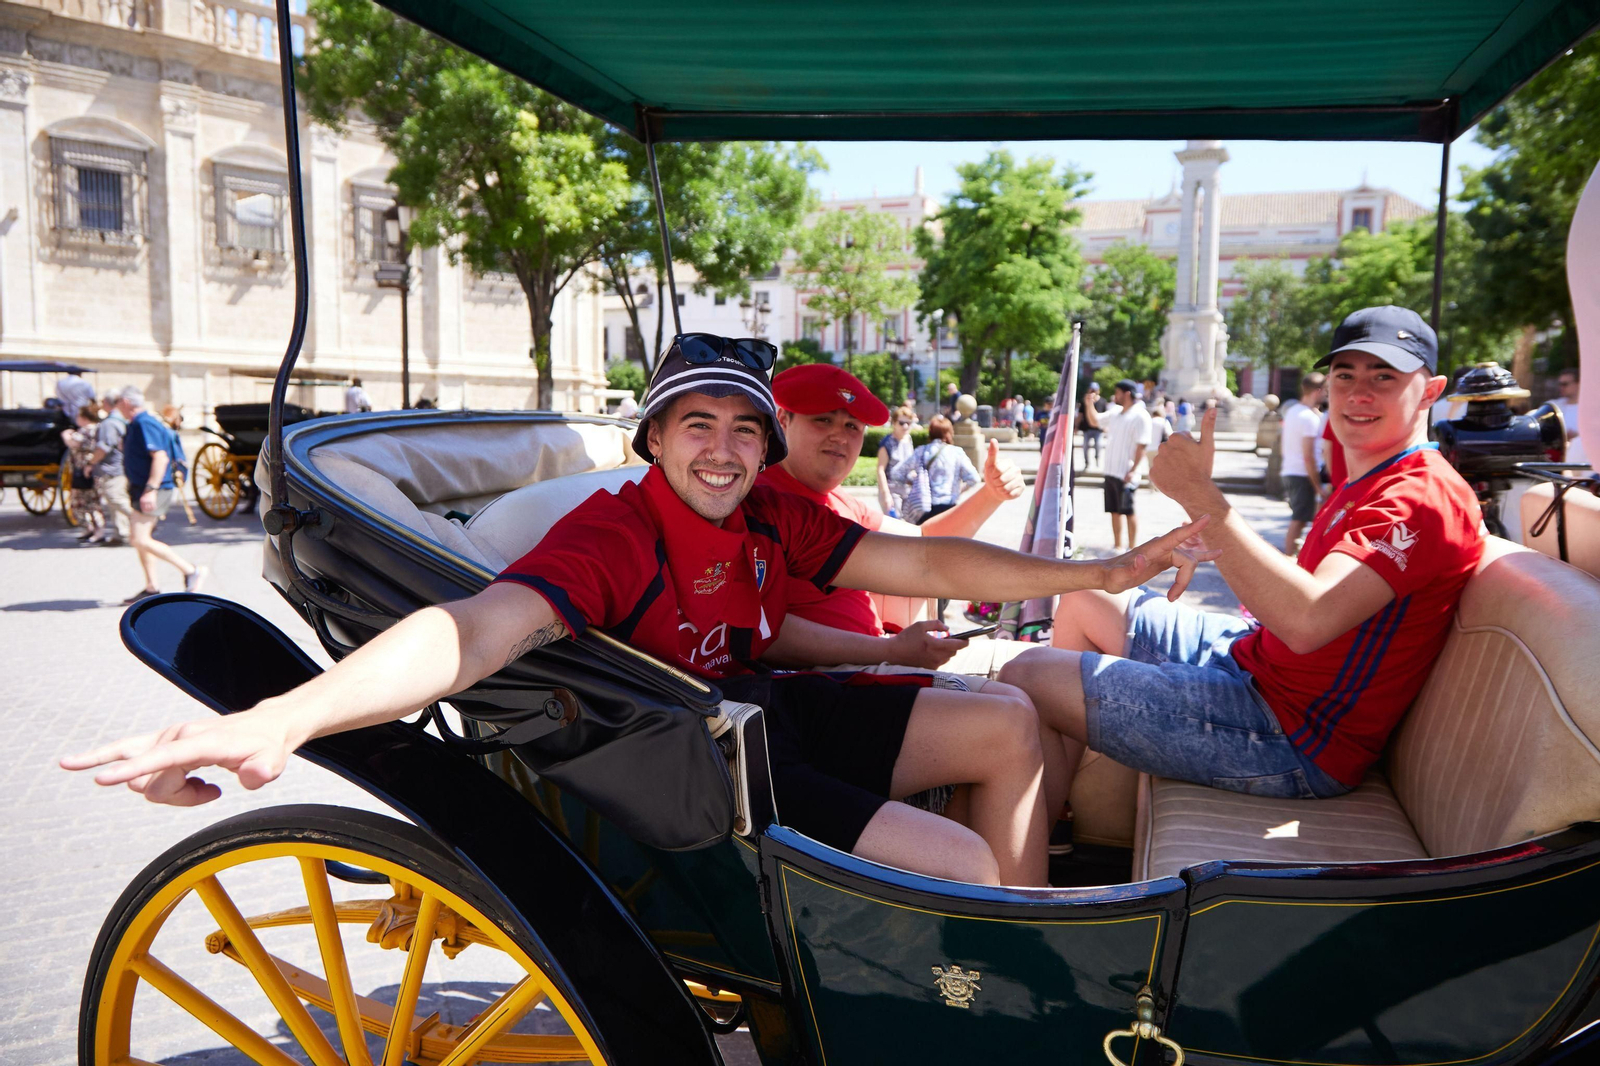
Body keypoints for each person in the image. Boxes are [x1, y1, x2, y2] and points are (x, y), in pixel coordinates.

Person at [63, 335, 1212, 889]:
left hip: (767, 708)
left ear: (762, 445)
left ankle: (1012, 959)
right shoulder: (615, 532)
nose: (722, 447)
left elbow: (917, 561)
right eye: (695, 425)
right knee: (954, 856)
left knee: (1009, 722)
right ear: (655, 439)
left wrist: (1089, 576)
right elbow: (477, 630)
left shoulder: (768, 511)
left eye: (741, 427)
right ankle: (973, 983)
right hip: (699, 755)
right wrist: (285, 717)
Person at [1000, 305, 1484, 809]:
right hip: (1254, 666)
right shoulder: (1373, 476)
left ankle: (1022, 875)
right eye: (1346, 375)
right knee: (1082, 596)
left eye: (1384, 377)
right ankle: (1059, 826)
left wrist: (1199, 495)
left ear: (1431, 391)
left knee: (1028, 674)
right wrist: (1205, 537)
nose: (1359, 394)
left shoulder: (1422, 497)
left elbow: (1307, 620)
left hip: (1293, 734)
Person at [758, 363, 1025, 650]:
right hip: (837, 678)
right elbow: (759, 628)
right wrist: (888, 651)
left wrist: (991, 494)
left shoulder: (840, 501)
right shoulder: (760, 501)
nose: (840, 436)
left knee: (1030, 665)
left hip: (880, 661)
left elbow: (923, 543)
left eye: (852, 426)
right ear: (783, 420)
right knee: (1017, 685)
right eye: (823, 420)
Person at [116, 387, 205, 604]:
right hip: (143, 487)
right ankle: (151, 586)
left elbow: (161, 458)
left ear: (126, 402)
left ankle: (191, 570)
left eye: (118, 401)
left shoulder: (144, 422)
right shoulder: (137, 423)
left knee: (138, 538)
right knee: (142, 540)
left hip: (153, 488)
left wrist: (151, 490)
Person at [892, 415, 981, 525]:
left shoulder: (921, 451)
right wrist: (958, 491)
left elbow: (896, 473)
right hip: (949, 507)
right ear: (949, 432)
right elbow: (974, 478)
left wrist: (912, 480)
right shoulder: (957, 452)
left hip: (925, 507)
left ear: (931, 432)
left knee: (926, 541)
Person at [1279, 372, 1328, 555]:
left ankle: (1292, 556)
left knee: (1299, 517)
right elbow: (1309, 455)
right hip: (1303, 473)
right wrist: (1318, 486)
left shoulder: (1293, 411)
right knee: (1299, 519)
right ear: (1317, 391)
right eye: (1324, 391)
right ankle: (1288, 559)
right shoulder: (1308, 418)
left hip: (1290, 470)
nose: (1326, 395)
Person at [1100, 380, 1152, 549]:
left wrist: (1133, 470)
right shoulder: (1116, 412)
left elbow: (1141, 445)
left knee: (1128, 511)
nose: (1115, 395)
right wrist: (1088, 404)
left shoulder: (1140, 415)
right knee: (1113, 510)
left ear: (1127, 393)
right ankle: (1117, 546)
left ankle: (1132, 547)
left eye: (1117, 392)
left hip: (1126, 471)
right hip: (1111, 470)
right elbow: (1095, 421)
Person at [86, 393, 131, 546]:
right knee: (114, 502)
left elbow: (103, 448)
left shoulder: (109, 423)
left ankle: (142, 521)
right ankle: (120, 534)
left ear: (107, 403)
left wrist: (91, 462)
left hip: (112, 468)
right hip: (121, 466)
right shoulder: (120, 420)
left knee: (115, 498)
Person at [63, 407, 105, 541]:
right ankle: (92, 529)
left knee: (88, 501)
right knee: (90, 501)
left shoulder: (87, 430)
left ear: (83, 418)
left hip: (85, 469)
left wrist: (65, 435)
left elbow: (74, 442)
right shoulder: (98, 429)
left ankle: (96, 530)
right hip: (89, 469)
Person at [875, 404, 918, 518]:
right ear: (894, 423)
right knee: (895, 524)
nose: (905, 426)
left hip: (908, 489)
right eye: (901, 423)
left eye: (908, 423)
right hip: (892, 490)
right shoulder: (887, 443)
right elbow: (880, 470)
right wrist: (886, 494)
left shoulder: (908, 439)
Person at [1554, 367, 1586, 467]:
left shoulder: (1592, 408)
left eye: (1565, 384)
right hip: (1557, 461)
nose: (1561, 387)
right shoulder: (1553, 406)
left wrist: (1577, 437)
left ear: (1578, 384)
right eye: (1560, 384)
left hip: (1582, 462)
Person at [1079, 382, 1104, 469]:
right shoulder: (1084, 401)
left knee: (1098, 445)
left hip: (1098, 428)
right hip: (1087, 428)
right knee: (1085, 446)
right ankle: (1086, 462)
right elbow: (1080, 414)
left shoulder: (1102, 401)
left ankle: (1097, 459)